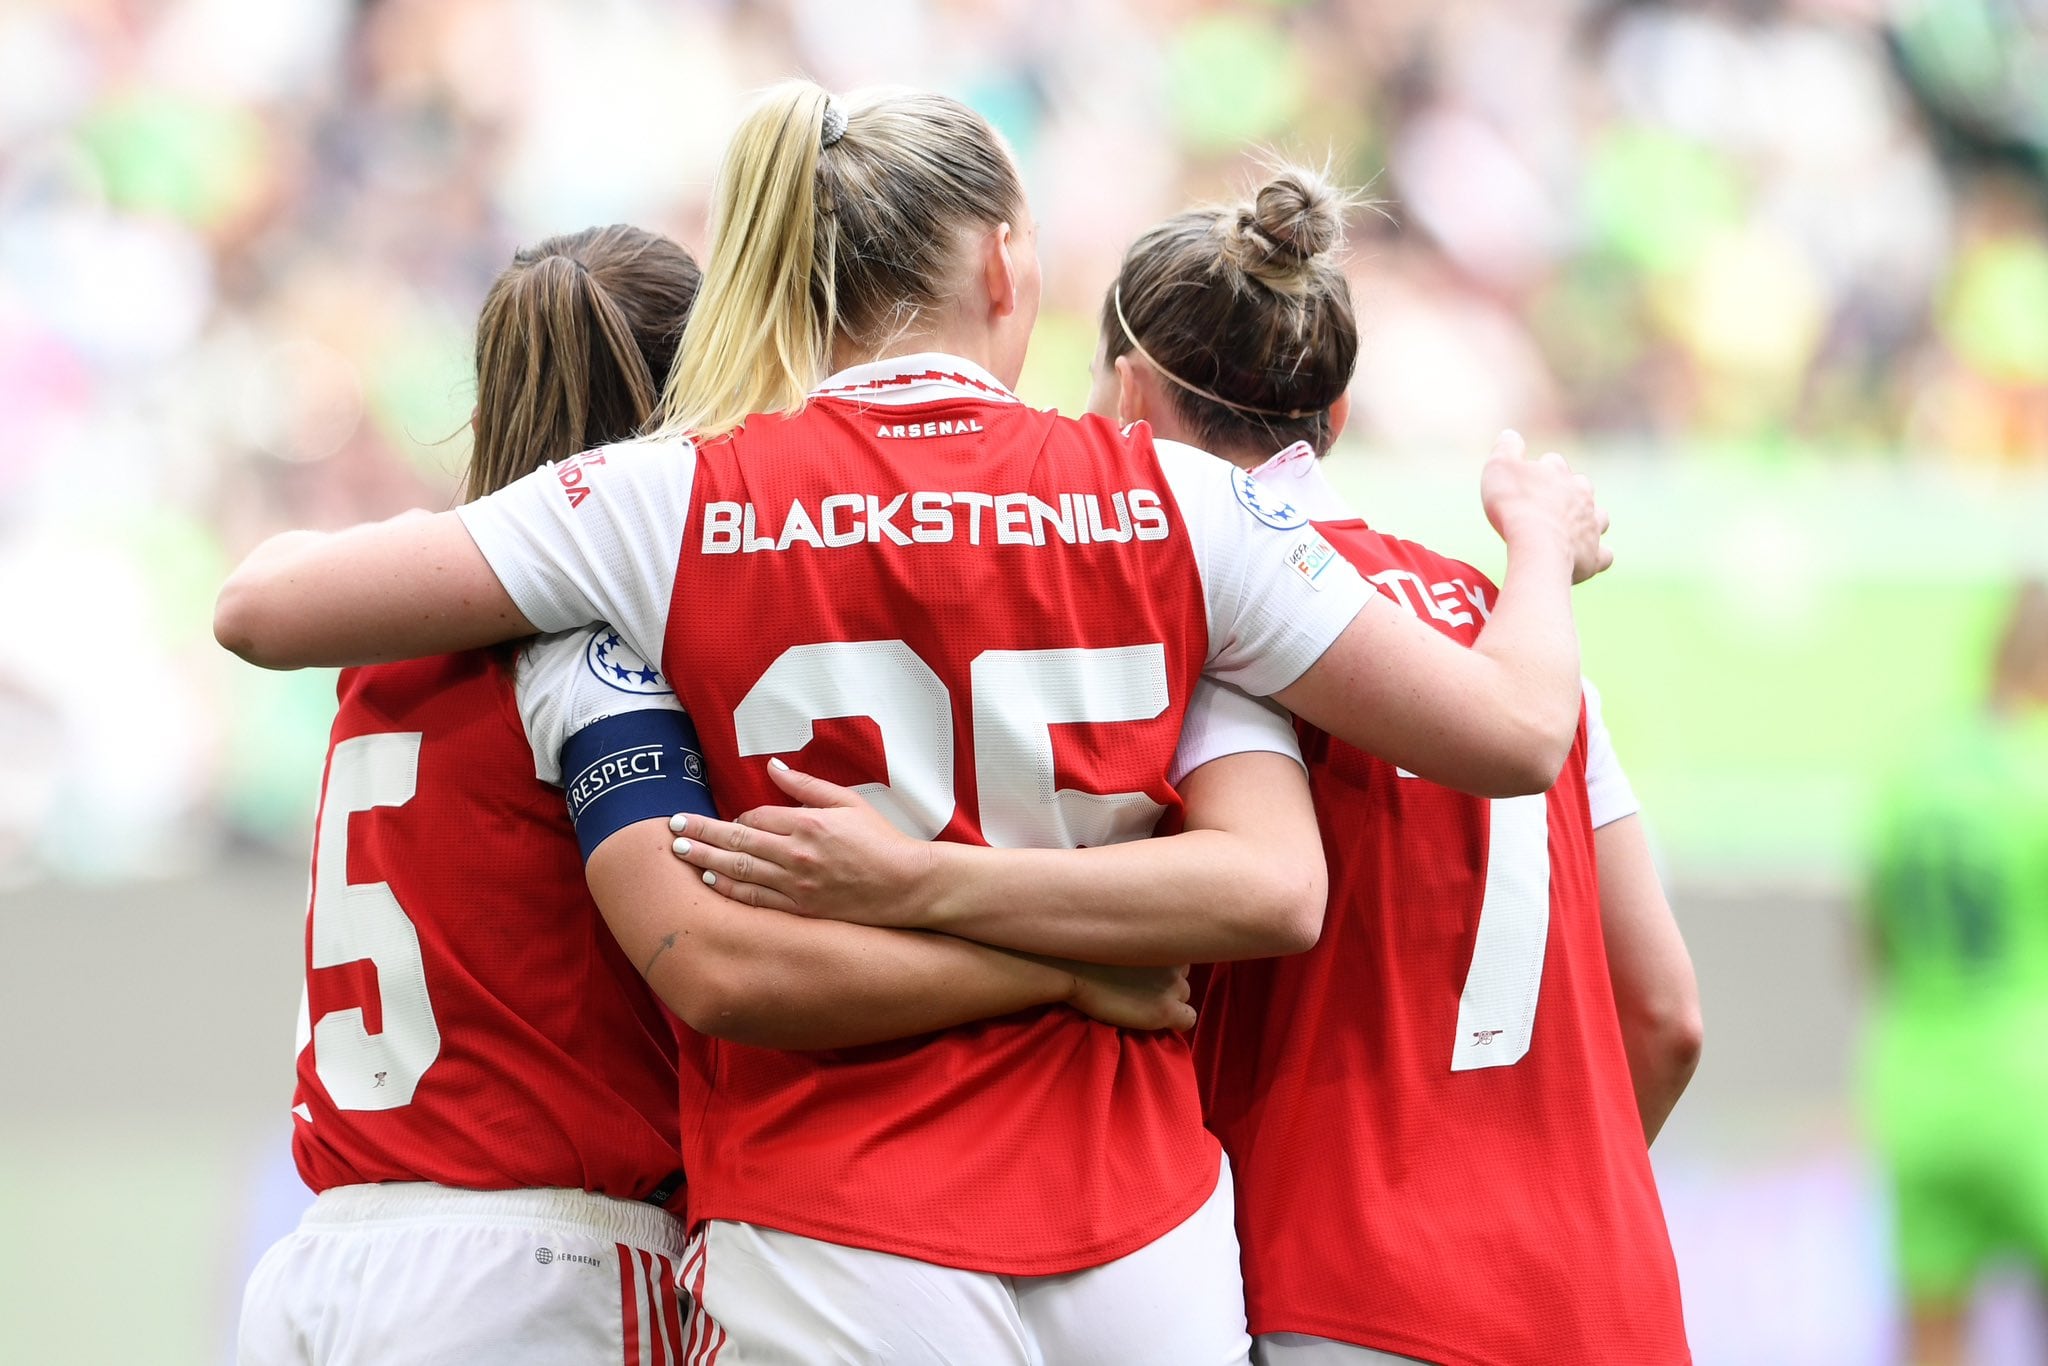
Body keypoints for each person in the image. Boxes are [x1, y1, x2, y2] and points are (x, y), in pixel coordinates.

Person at [213, 84, 1610, 1364]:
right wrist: (1537, 548)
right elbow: (1507, 736)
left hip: (832, 1216)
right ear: (1008, 265)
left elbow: (266, 613)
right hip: (1137, 1222)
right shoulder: (1177, 503)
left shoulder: (667, 501)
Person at [677, 165, 1700, 1365]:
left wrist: (911, 886)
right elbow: (1667, 1018)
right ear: (1335, 411)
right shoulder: (1513, 646)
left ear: (1124, 388)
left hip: (1341, 1286)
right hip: (1606, 1296)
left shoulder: (1196, 628)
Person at [238, 223, 1201, 1366]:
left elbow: (260, 594)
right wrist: (1064, 969)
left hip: (324, 1261)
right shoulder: (592, 652)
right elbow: (713, 962)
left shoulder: (384, 626)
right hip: (540, 1268)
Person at [1862, 580, 2048, 1366]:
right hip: (2030, 1080)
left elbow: (1874, 942)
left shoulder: (1916, 769)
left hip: (1917, 1091)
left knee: (1933, 1342)